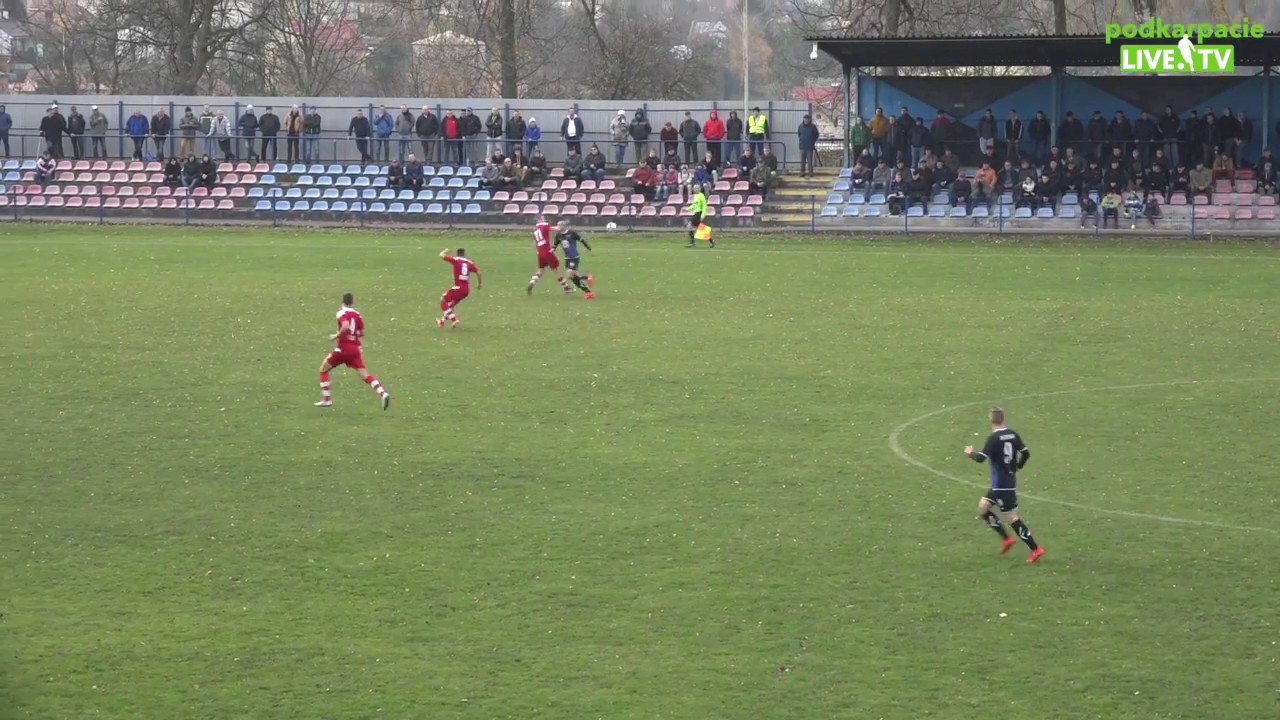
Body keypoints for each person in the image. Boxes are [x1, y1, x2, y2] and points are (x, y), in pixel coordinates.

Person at [962, 407, 1044, 563]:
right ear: (1003, 418)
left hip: (1002, 485)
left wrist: (970, 453)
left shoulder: (993, 439)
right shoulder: (1013, 434)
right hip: (1003, 483)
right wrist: (1017, 466)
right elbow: (1026, 453)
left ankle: (1035, 549)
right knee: (983, 507)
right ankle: (1007, 539)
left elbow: (980, 458)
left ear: (991, 420)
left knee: (1012, 517)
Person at [316, 292, 391, 410]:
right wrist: (359, 346)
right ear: (352, 302)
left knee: (323, 369)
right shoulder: (358, 315)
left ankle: (327, 400)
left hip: (343, 349)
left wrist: (336, 336)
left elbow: (346, 327)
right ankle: (383, 393)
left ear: (342, 302)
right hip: (355, 350)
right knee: (366, 376)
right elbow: (361, 332)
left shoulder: (342, 313)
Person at [528, 216, 574, 295]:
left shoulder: (536, 229)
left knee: (541, 270)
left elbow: (536, 242)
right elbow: (558, 229)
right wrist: (562, 225)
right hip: (547, 252)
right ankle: (566, 288)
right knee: (556, 270)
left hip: (540, 253)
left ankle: (532, 282)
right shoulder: (545, 226)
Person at [438, 248, 482, 328]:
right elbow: (478, 273)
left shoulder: (456, 260)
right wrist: (479, 284)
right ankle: (442, 321)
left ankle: (454, 319)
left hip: (458, 288)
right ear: (464, 254)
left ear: (457, 254)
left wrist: (446, 250)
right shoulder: (469, 263)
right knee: (450, 305)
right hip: (466, 290)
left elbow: (441, 255)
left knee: (443, 300)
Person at [554, 220, 595, 298]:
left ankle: (588, 289)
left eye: (560, 225)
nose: (558, 227)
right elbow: (555, 245)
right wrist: (551, 251)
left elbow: (581, 240)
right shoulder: (558, 235)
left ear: (564, 226)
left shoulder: (572, 233)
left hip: (574, 256)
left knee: (570, 273)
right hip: (567, 258)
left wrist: (588, 247)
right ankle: (587, 282)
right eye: (557, 225)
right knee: (572, 276)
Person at [685, 183, 711, 248]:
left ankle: (692, 242)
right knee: (701, 229)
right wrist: (688, 209)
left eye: (697, 188)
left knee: (690, 226)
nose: (695, 189)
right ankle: (711, 241)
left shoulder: (701, 196)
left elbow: (704, 206)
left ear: (699, 189)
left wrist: (703, 215)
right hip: (696, 213)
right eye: (694, 188)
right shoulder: (696, 196)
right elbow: (694, 205)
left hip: (699, 213)